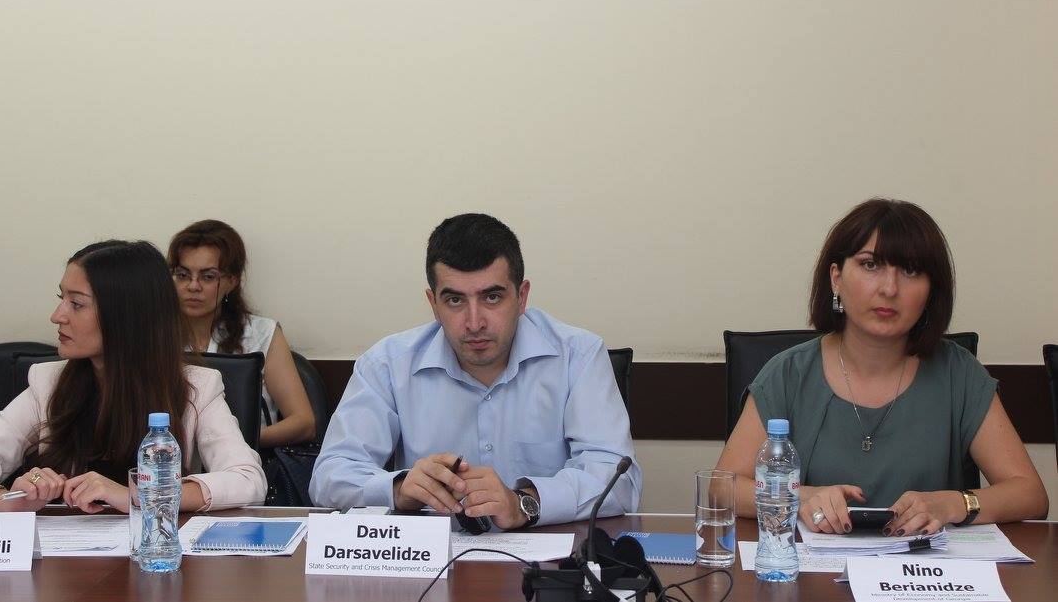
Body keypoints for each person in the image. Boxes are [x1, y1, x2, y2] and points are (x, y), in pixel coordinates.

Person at [716, 199, 1048, 536]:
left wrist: (954, 503)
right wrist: (800, 497)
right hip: (813, 566)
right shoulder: (788, 373)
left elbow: (1030, 495)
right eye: (870, 264)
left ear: (931, 291)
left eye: (911, 271)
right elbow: (722, 488)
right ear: (836, 278)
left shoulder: (959, 373)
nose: (890, 289)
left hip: (925, 565)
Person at [309, 213, 640, 527]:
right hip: (431, 557)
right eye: (455, 300)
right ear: (433, 304)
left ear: (522, 297)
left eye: (492, 297)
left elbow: (618, 479)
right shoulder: (387, 364)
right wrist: (398, 489)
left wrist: (524, 503)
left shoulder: (578, 356)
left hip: (551, 558)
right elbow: (330, 476)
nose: (474, 322)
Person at [0, 240, 266, 512]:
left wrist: (136, 494)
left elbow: (248, 480)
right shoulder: (48, 382)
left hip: (157, 556)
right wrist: (2, 500)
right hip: (63, 565)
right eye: (61, 299)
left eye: (76, 304)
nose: (57, 316)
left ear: (125, 317)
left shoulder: (196, 387)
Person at [168, 220, 315, 447]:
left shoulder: (261, 333)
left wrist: (231, 444)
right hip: (173, 460)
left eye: (208, 276)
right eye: (183, 274)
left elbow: (304, 423)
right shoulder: (156, 336)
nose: (193, 286)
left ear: (232, 281)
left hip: (250, 459)